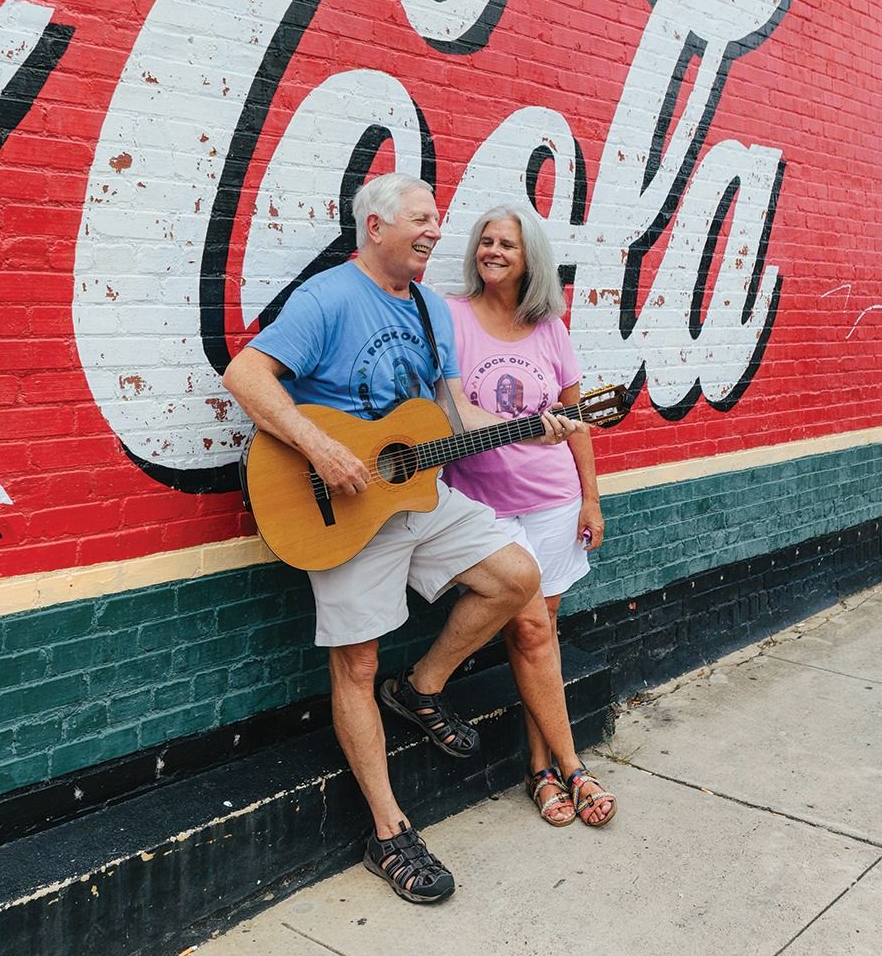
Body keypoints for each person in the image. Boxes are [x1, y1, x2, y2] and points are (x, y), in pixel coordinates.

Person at [221, 173, 579, 905]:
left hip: (421, 493)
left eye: (437, 220)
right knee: (355, 663)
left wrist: (534, 427)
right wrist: (319, 447)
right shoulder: (328, 297)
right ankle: (388, 834)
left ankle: (420, 689)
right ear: (376, 226)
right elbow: (245, 373)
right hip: (341, 506)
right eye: (421, 219)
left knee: (517, 578)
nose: (435, 232)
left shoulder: (430, 311)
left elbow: (453, 416)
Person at [443, 204, 617, 829]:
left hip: (553, 500)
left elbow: (579, 422)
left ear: (528, 259)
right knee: (533, 633)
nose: (492, 251)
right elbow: (448, 408)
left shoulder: (549, 327)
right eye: (485, 241)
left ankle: (539, 767)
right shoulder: (453, 317)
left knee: (536, 633)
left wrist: (592, 498)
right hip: (483, 509)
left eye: (507, 245)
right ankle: (573, 767)